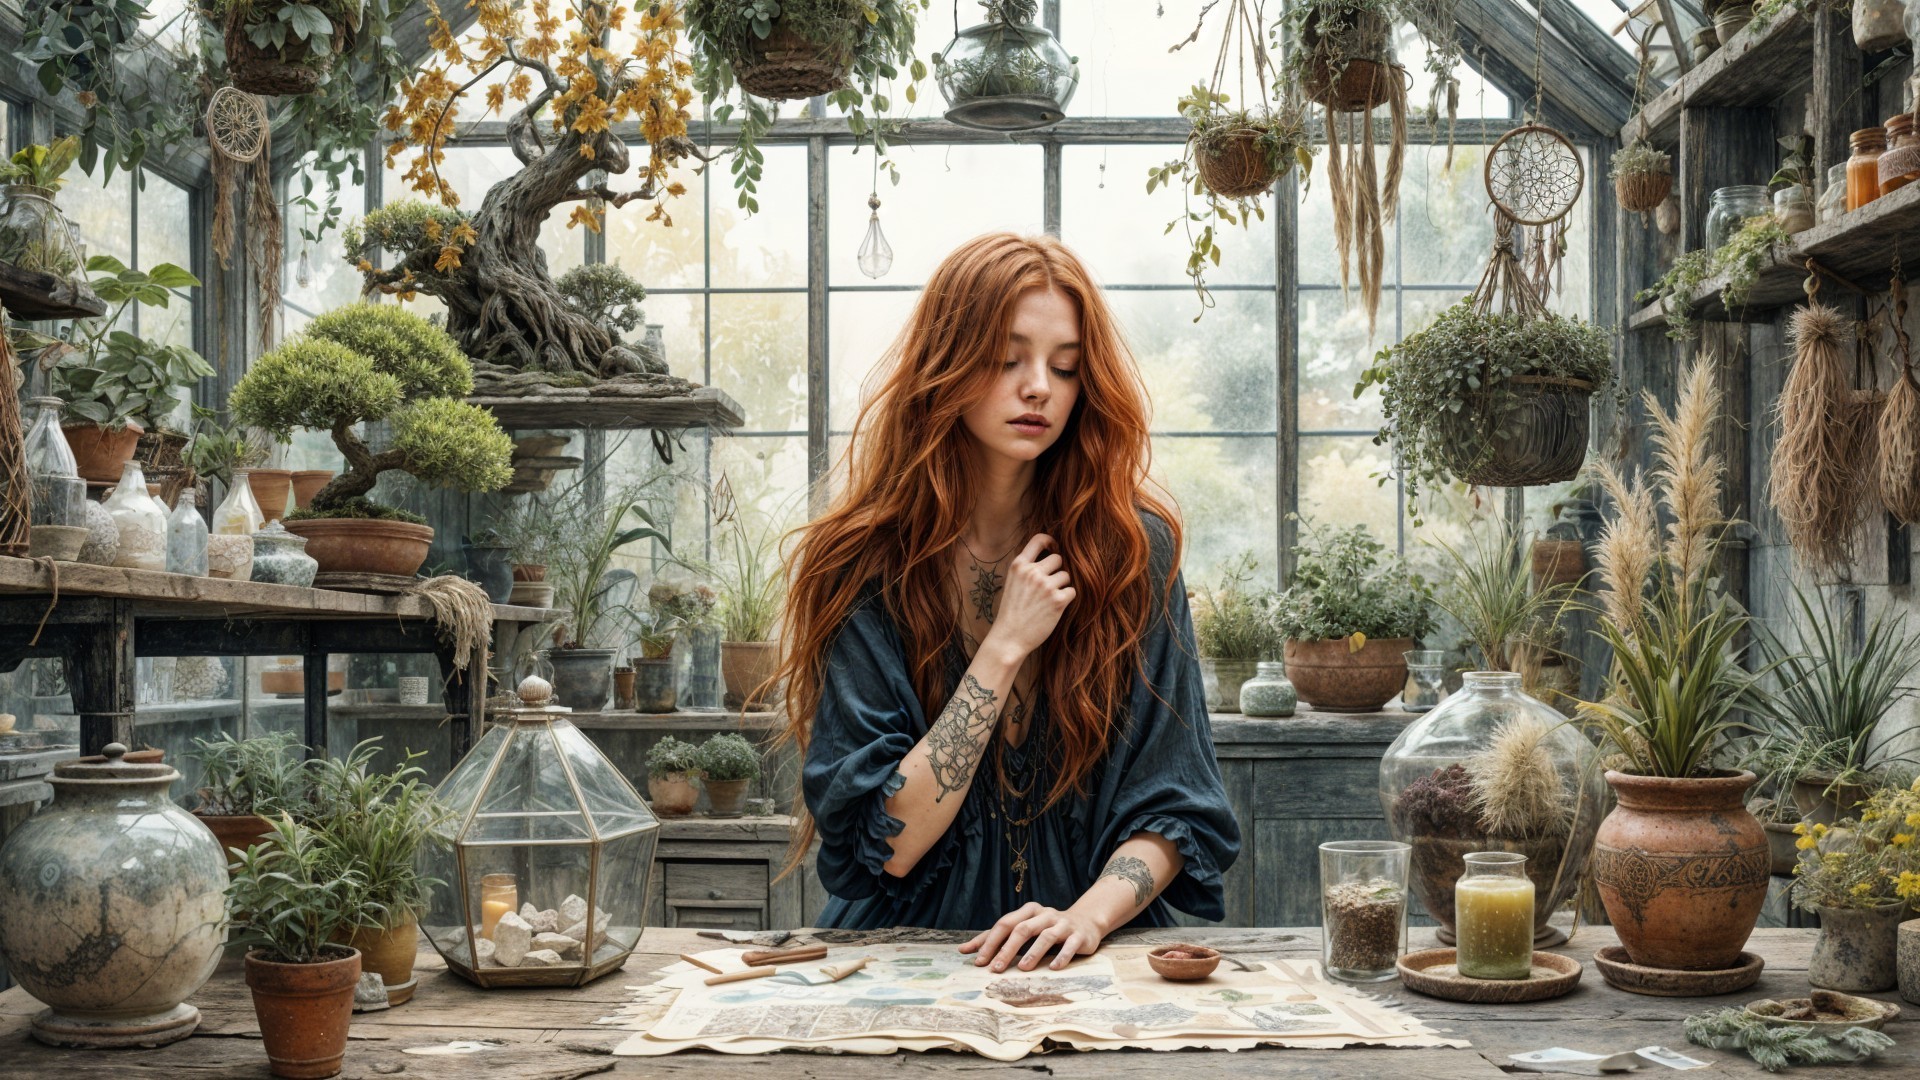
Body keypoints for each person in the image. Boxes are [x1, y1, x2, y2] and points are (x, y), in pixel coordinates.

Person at [774, 232, 1239, 975]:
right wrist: (1003, 647)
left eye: (1064, 366)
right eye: (1007, 358)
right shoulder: (863, 564)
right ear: (947, 363)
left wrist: (1085, 918)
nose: (1039, 388)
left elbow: (1178, 808)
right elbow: (889, 843)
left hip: (1086, 954)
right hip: (904, 956)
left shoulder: (1133, 556)